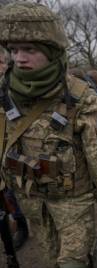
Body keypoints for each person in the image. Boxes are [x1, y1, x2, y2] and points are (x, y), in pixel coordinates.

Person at [0, 2, 97, 268]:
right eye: (13, 49)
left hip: (74, 203)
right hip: (33, 204)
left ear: (51, 50)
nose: (19, 57)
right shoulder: (4, 95)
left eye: (28, 48)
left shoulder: (80, 98)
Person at [0, 46, 29, 250]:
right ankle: (20, 224)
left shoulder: (15, 86)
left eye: (1, 63)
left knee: (13, 188)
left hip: (13, 144)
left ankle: (23, 224)